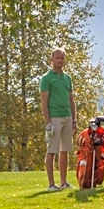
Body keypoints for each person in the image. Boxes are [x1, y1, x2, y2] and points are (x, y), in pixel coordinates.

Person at [40, 48, 77, 191]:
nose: (60, 61)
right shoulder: (47, 78)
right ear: (52, 59)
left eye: (62, 58)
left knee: (65, 151)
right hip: (54, 118)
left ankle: (63, 182)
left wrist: (74, 120)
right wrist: (48, 121)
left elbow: (71, 99)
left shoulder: (67, 78)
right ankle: (51, 184)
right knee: (51, 151)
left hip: (67, 116)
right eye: (57, 58)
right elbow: (44, 102)